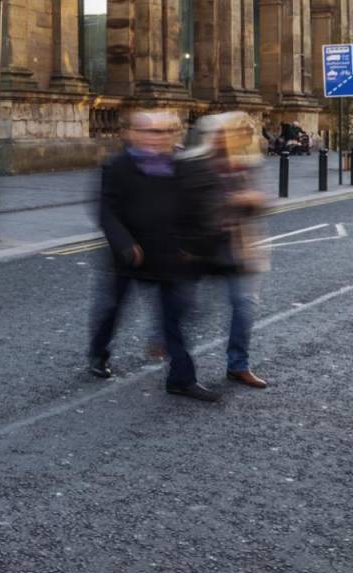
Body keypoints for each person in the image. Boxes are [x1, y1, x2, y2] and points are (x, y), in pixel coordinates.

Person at [86, 109, 221, 401]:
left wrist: (194, 246)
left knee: (173, 320)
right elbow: (106, 211)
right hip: (129, 256)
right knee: (111, 309)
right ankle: (98, 353)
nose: (155, 137)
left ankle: (181, 379)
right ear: (131, 133)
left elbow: (201, 209)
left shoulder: (185, 168)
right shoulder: (118, 167)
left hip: (170, 255)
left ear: (175, 134)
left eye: (163, 131)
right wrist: (124, 243)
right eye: (148, 131)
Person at [185, 112, 271, 389]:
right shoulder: (195, 164)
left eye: (241, 133)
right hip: (201, 247)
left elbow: (261, 204)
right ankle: (173, 352)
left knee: (244, 306)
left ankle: (238, 365)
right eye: (231, 132)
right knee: (191, 309)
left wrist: (255, 201)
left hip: (238, 247)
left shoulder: (246, 164)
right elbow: (184, 206)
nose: (236, 137)